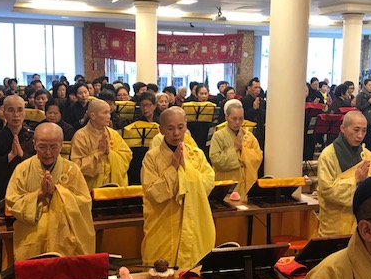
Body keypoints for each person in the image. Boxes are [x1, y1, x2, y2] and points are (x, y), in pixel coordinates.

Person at [5, 123, 95, 261]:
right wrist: (39, 194)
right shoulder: (22, 169)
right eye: (42, 147)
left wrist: (57, 192)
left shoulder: (72, 170)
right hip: (32, 234)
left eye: (53, 147)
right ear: (34, 144)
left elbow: (85, 203)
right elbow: (12, 202)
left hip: (64, 233)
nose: (48, 153)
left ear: (61, 145)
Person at [140, 107, 216, 268]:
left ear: (186, 126)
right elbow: (153, 193)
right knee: (161, 274)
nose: (176, 133)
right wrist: (173, 168)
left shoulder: (196, 154)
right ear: (161, 130)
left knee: (193, 274)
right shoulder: (151, 158)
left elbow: (208, 182)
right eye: (170, 128)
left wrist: (186, 170)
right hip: (163, 228)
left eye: (180, 127)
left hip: (192, 224)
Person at [317, 111, 371, 237]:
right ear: (343, 128)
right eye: (356, 130)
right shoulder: (328, 155)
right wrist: (355, 180)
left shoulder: (367, 155)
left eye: (364, 130)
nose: (360, 135)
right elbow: (327, 190)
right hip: (334, 224)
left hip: (360, 222)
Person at [0, 95, 35, 222]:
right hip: (0, 190)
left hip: (27, 191)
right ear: (3, 112)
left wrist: (22, 155)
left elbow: (39, 165)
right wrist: (9, 157)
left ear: (25, 112)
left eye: (20, 110)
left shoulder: (33, 138)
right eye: (11, 110)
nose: (16, 115)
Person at [70, 99, 132, 189]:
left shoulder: (113, 134)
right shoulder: (80, 136)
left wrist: (109, 152)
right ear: (93, 116)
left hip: (114, 186)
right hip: (90, 189)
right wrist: (99, 153)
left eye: (109, 112)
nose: (109, 116)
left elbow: (127, 155)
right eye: (105, 113)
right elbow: (76, 166)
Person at [209, 99, 263, 201]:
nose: (237, 122)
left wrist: (243, 150)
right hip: (227, 186)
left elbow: (258, 157)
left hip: (246, 185)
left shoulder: (249, 136)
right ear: (226, 117)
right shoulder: (218, 136)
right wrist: (234, 149)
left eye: (241, 118)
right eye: (234, 118)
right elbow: (216, 161)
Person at [241, 77, 266, 149]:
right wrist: (254, 109)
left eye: (259, 87)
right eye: (255, 87)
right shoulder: (244, 100)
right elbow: (244, 116)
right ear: (249, 88)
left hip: (260, 128)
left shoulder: (261, 101)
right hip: (249, 130)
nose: (258, 89)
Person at [355, 78, 371, 150]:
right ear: (365, 86)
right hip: (364, 119)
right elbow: (359, 108)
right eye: (369, 85)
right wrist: (369, 102)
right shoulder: (360, 95)